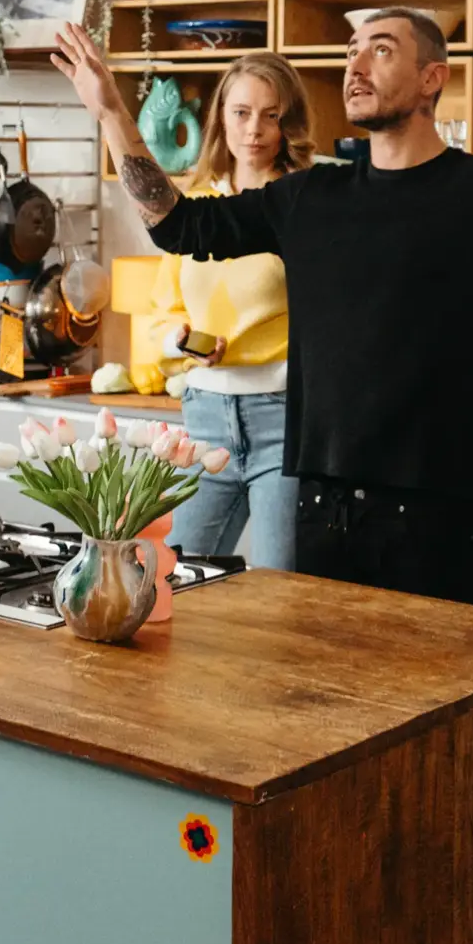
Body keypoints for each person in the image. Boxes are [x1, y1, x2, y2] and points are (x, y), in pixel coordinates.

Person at [54, 9, 473, 606]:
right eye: (351, 51)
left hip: (438, 524)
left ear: (433, 77)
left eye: (380, 50)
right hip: (324, 517)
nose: (355, 65)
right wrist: (113, 114)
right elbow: (177, 225)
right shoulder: (311, 199)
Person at [149, 53, 313, 568]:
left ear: (290, 123)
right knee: (173, 576)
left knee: (279, 593)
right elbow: (160, 315)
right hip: (202, 421)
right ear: (221, 116)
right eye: (242, 112)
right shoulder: (194, 211)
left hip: (284, 421)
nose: (255, 130)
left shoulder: (307, 205)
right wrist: (177, 339)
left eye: (272, 115)